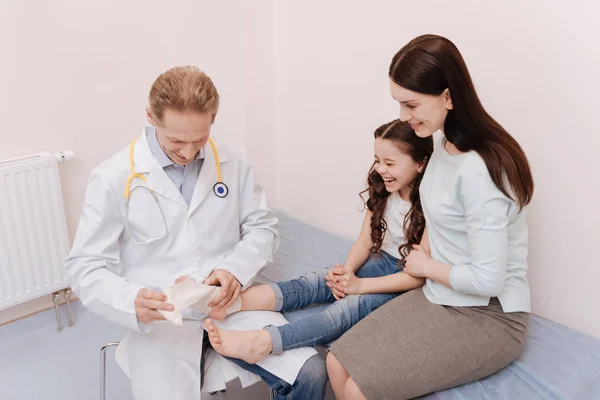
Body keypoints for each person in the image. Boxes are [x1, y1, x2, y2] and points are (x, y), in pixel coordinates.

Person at [65, 66, 327, 400]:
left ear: (213, 119)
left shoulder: (234, 161)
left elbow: (263, 228)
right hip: (163, 320)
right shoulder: (113, 177)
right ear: (151, 117)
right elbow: (84, 266)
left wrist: (234, 269)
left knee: (310, 372)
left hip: (229, 304)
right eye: (176, 141)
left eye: (199, 139)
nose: (189, 154)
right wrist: (130, 300)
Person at [326, 34, 535, 400]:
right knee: (336, 361)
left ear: (448, 96)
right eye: (398, 104)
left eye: (411, 105)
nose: (404, 117)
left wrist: (424, 267)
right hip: (442, 294)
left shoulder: (480, 170)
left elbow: (488, 280)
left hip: (491, 315)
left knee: (360, 389)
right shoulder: (441, 145)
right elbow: (438, 220)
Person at [196, 119, 433, 365]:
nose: (381, 169)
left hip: (408, 279)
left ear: (420, 163)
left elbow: (417, 276)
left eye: (390, 163)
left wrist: (359, 286)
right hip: (383, 260)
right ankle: (229, 304)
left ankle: (264, 342)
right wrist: (347, 272)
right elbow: (365, 241)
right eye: (378, 160)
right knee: (319, 281)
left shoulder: (431, 202)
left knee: (348, 308)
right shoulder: (383, 186)